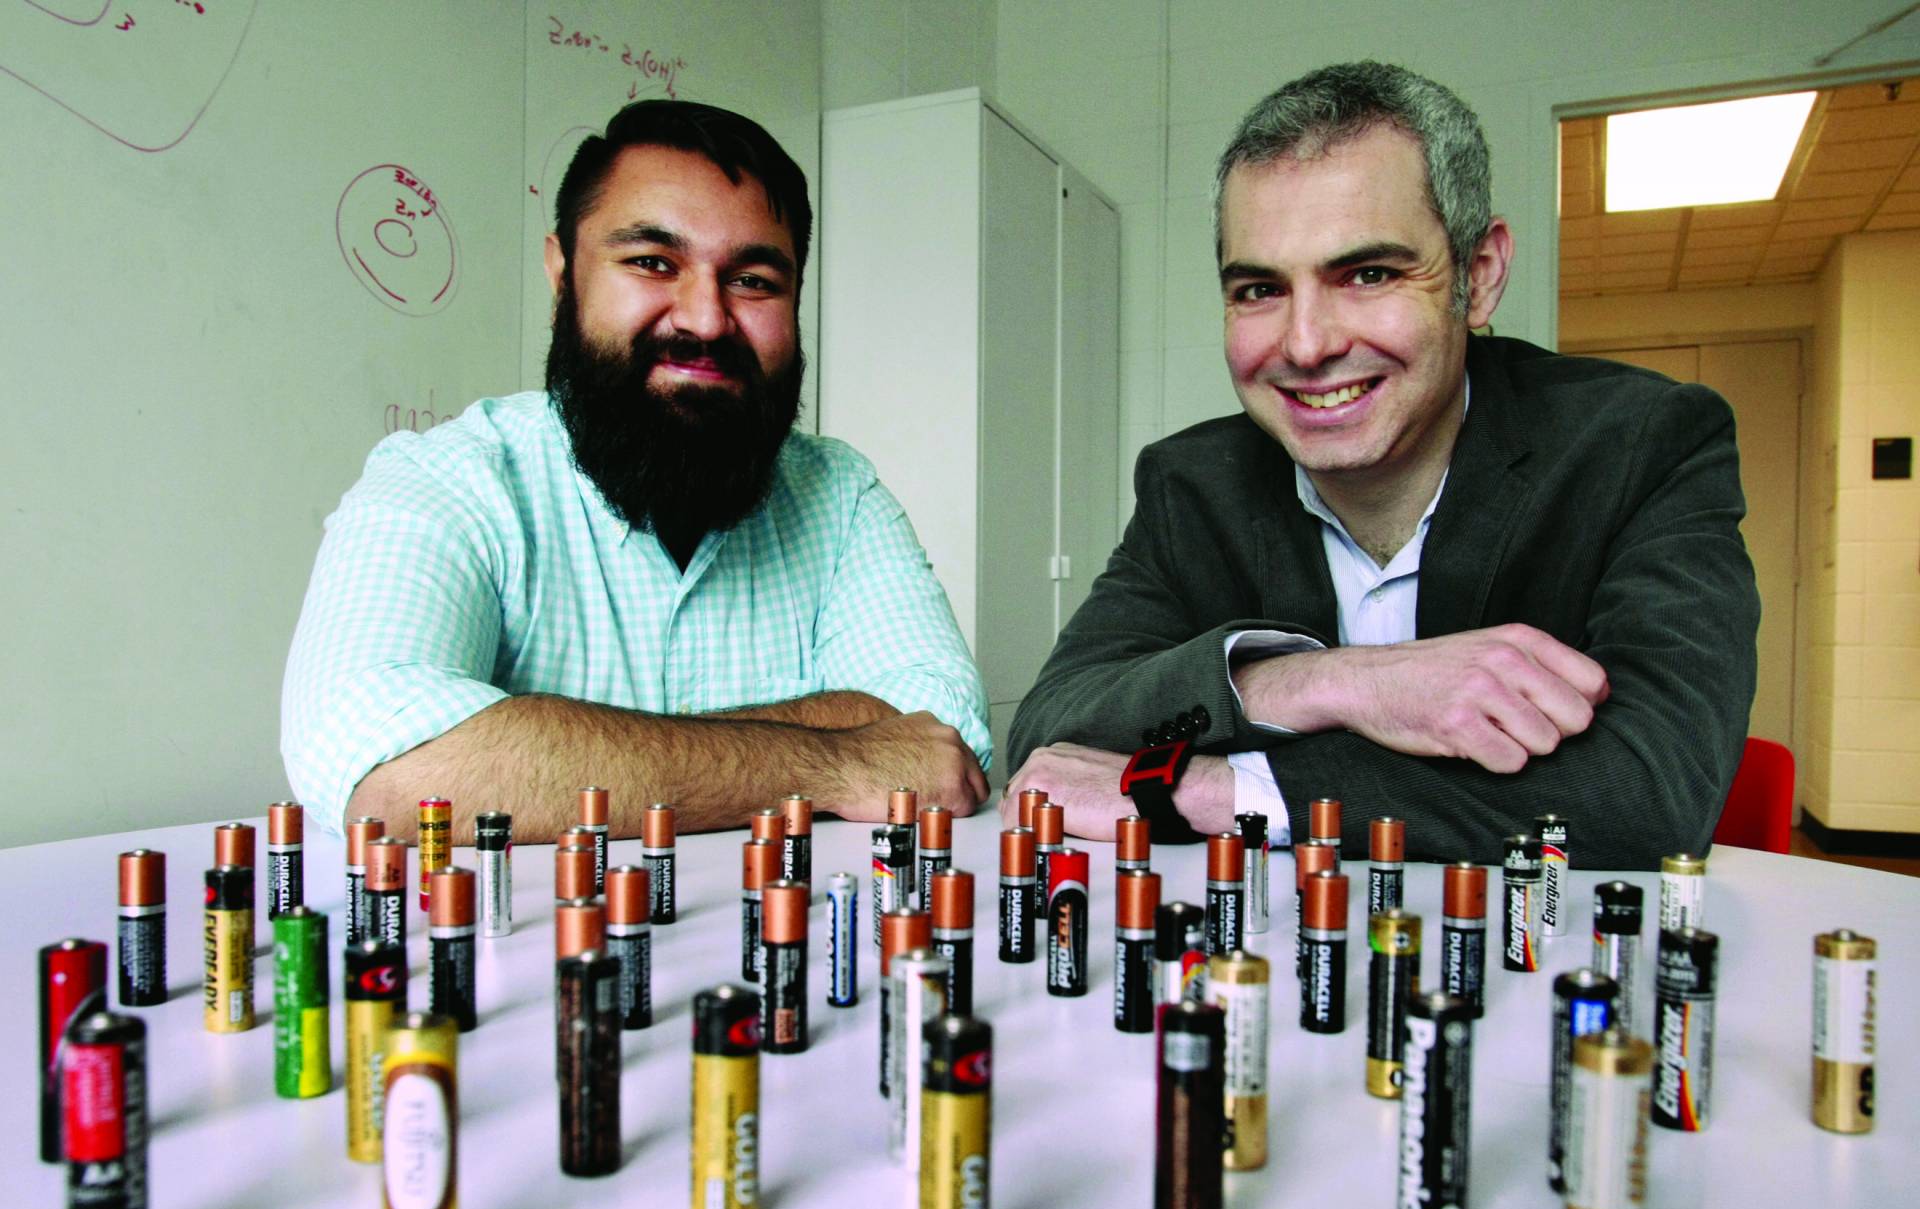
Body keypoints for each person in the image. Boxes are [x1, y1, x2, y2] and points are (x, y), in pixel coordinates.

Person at [1005, 62, 1757, 869]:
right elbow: (1051, 729)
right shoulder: (1191, 483)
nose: (1305, 344)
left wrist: (1219, 788)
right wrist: (1328, 683)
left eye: (1368, 274)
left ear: (1479, 275)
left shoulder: (1644, 443)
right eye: (1259, 289)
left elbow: (1652, 791)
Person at [283, 100, 990, 842]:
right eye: (653, 263)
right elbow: (386, 769)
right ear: (563, 276)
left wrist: (545, 754)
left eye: (753, 279)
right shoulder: (450, 482)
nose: (707, 320)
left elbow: (939, 742)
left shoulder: (841, 496)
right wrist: (837, 762)